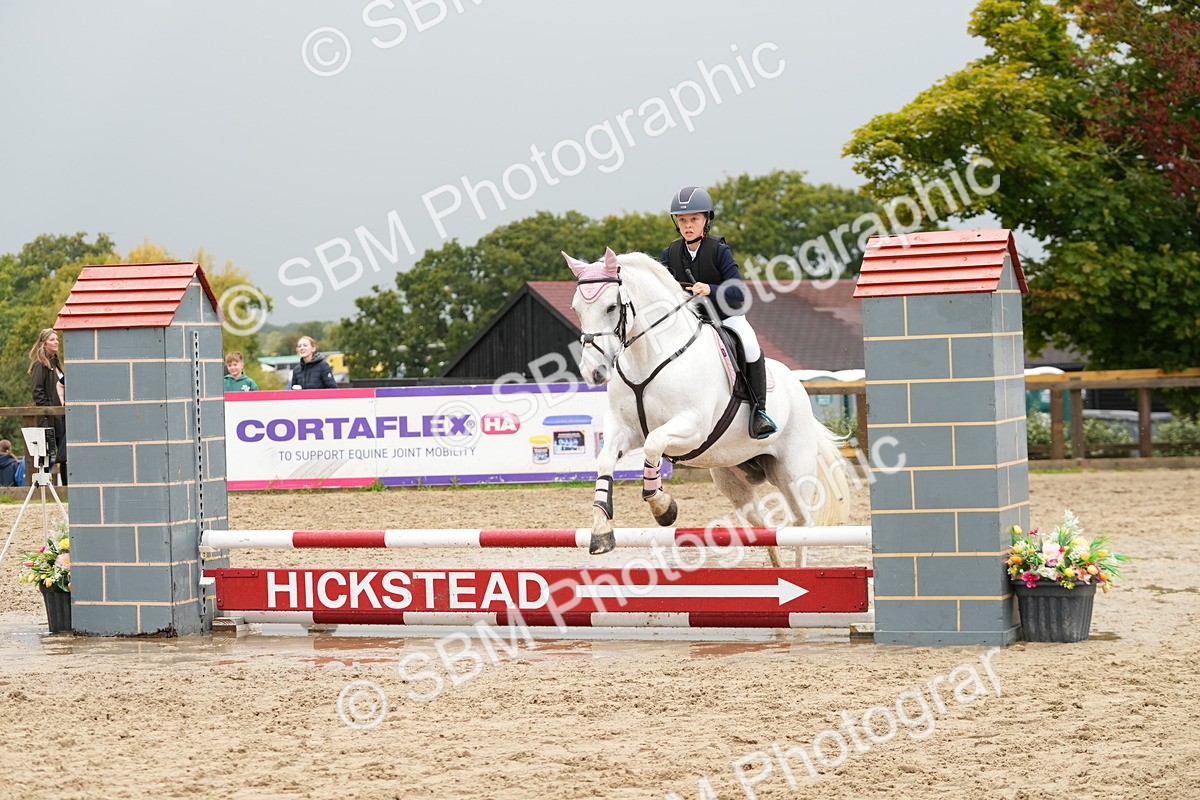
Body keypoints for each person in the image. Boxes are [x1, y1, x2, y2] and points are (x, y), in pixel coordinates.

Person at [661, 185, 777, 439]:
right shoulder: (670, 253)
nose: (688, 225)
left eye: (694, 219)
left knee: (750, 344)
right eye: (682, 220)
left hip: (726, 317)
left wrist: (710, 289)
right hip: (692, 321)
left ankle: (759, 412)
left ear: (706, 220)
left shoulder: (719, 250)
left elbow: (738, 292)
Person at [29, 328, 67, 483]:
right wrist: (50, 410)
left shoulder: (57, 363)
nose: (56, 341)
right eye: (52, 339)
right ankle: (43, 491)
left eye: (56, 339)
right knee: (45, 457)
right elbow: (37, 391)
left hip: (62, 415)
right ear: (43, 344)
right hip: (49, 416)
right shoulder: (40, 364)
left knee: (65, 454)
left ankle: (67, 488)